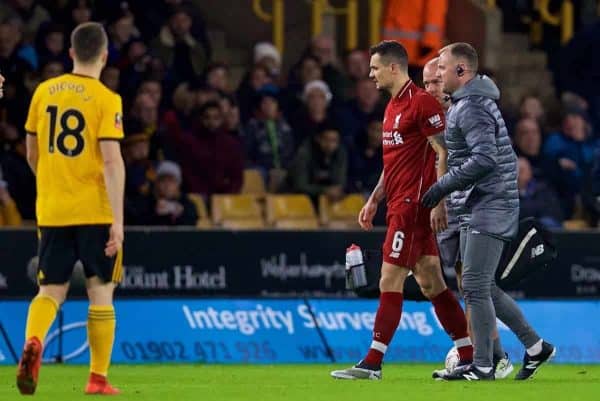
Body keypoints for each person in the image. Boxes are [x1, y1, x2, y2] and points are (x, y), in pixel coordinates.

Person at [330, 41, 472, 381]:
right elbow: (393, 161)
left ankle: (373, 363)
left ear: (394, 67)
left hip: (413, 206)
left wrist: (438, 200)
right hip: (397, 203)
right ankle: (468, 354)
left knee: (388, 279)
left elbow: (444, 153)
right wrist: (374, 198)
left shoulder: (421, 103)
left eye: (375, 68)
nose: (370, 74)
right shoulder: (392, 106)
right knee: (431, 284)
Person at [422, 42, 555, 380]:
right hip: (479, 203)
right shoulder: (467, 104)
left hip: (491, 204)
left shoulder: (472, 108)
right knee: (482, 286)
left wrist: (442, 186)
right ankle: (536, 347)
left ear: (461, 71)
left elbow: (485, 159)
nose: (438, 74)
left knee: (477, 286)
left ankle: (483, 365)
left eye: (442, 69)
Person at [18, 22, 124, 395]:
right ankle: (97, 379)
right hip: (95, 210)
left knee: (50, 291)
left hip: (53, 209)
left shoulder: (44, 92)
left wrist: (52, 182)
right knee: (101, 291)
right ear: (105, 55)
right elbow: (111, 162)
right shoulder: (107, 99)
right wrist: (118, 221)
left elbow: (32, 152)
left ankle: (33, 341)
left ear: (71, 53)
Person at [423, 57, 513, 379]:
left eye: (435, 81)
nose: (430, 87)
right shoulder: (437, 113)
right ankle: (493, 355)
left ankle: (488, 357)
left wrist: (441, 200)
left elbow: (461, 160)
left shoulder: (463, 111)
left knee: (472, 283)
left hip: (469, 207)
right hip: (457, 205)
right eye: (427, 82)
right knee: (469, 284)